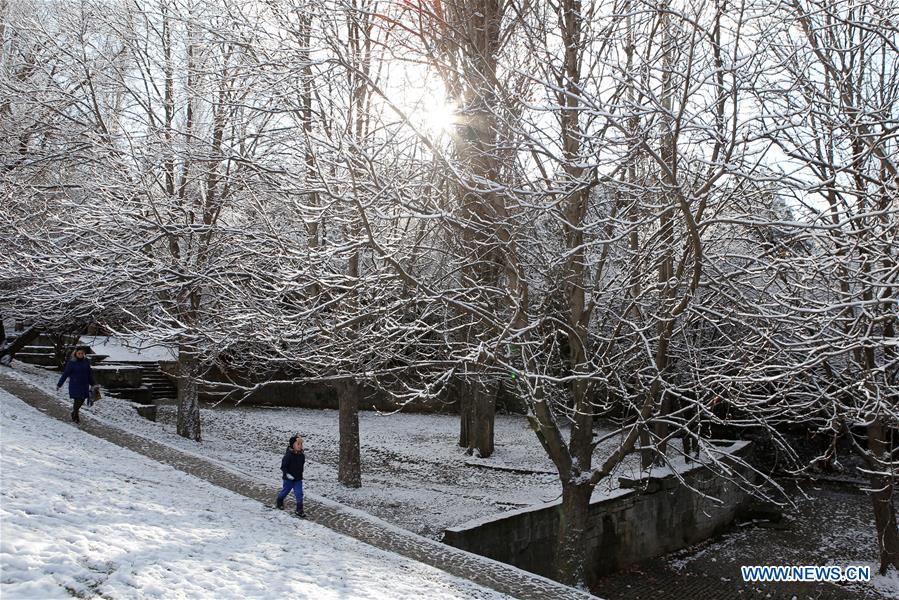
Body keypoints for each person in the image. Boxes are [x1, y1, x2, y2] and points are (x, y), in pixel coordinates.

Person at [56, 347, 95, 424]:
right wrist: (59, 384)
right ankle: (75, 415)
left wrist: (93, 383)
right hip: (75, 384)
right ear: (76, 354)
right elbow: (65, 374)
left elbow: (89, 374)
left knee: (82, 399)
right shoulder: (72, 362)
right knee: (77, 399)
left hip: (84, 384)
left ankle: (74, 412)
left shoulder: (86, 362)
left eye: (82, 353)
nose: (80, 355)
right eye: (79, 353)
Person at [275, 434, 306, 517]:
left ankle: (299, 509)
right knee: (285, 491)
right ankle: (279, 500)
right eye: (298, 444)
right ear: (293, 445)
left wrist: (300, 475)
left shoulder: (302, 456)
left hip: (298, 479)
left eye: (301, 444)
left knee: (299, 493)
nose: (300, 446)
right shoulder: (288, 456)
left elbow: (301, 466)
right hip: (288, 479)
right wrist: (287, 474)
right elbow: (283, 467)